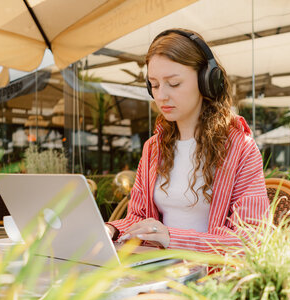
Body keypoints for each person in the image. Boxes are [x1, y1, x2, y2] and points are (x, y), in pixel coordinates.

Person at [105, 29, 269, 253]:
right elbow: (139, 218)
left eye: (173, 83)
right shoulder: (153, 148)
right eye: (154, 85)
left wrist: (171, 237)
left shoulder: (240, 149)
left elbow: (250, 238)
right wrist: (111, 229)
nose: (161, 95)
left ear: (206, 81)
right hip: (158, 273)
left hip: (212, 279)